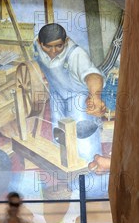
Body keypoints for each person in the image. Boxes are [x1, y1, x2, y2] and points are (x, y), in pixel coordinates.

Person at [34, 23, 106, 163]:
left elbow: (92, 75)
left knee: (84, 140)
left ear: (66, 41)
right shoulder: (35, 45)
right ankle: (65, 174)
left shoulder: (76, 54)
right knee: (59, 137)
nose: (53, 51)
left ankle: (90, 171)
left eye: (58, 46)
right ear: (39, 43)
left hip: (78, 96)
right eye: (48, 46)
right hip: (56, 94)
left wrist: (95, 97)